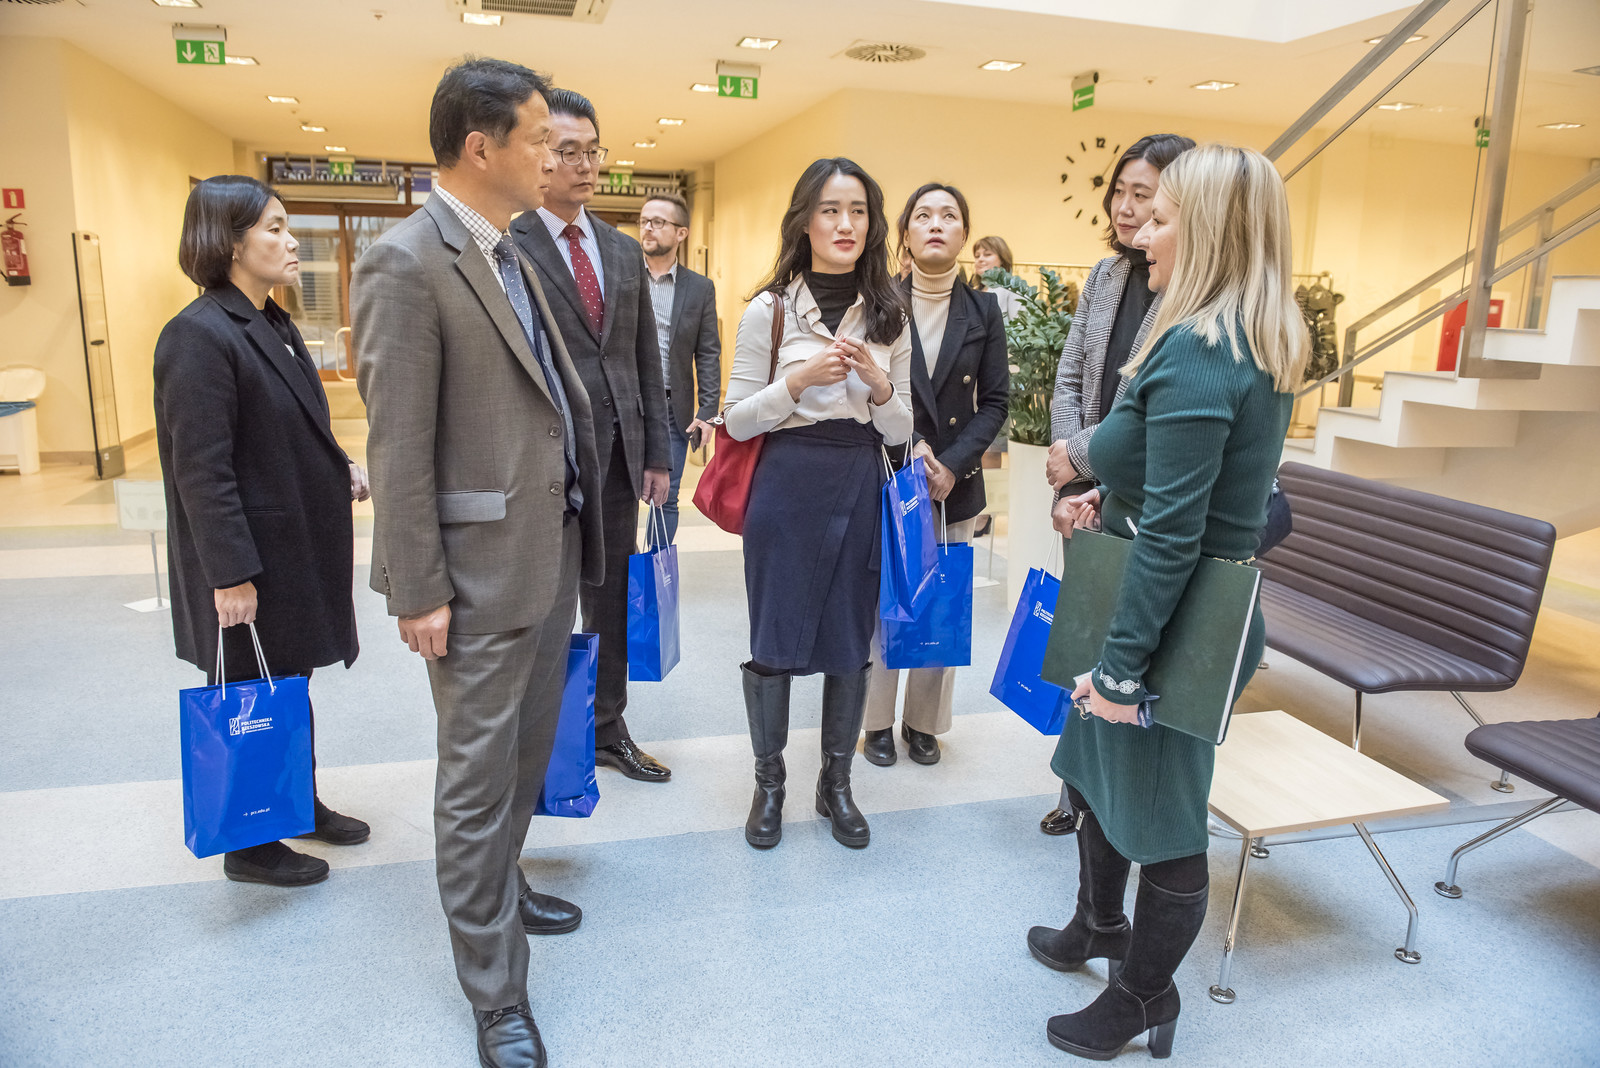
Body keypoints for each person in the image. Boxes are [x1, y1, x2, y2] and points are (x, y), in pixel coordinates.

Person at [352, 59, 605, 1068]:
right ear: (480, 147)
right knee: (473, 783)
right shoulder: (405, 262)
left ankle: (503, 888)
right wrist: (417, 589)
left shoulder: (512, 251)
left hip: (545, 556)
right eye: (541, 139)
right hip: (472, 576)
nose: (556, 155)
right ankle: (496, 996)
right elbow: (397, 447)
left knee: (522, 761)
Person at [1028, 143, 1305, 1060]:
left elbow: (1180, 536)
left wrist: (1121, 673)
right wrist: (1112, 493)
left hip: (1172, 621)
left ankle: (1145, 996)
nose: (1142, 231)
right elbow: (1191, 485)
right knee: (1097, 774)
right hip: (1160, 596)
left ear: (1209, 230)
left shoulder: (1201, 352)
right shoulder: (1241, 337)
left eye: (1162, 216)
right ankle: (1099, 926)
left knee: (1166, 818)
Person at [154, 175, 370, 889]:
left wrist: (338, 466)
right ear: (229, 242)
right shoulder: (198, 335)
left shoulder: (268, 321)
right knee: (249, 692)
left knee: (286, 684)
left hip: (290, 550)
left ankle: (294, 800)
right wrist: (229, 575)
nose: (290, 241)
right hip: (249, 561)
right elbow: (202, 470)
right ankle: (250, 844)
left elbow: (288, 425)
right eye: (274, 228)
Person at [722, 157, 913, 851]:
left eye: (858, 211)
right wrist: (797, 382)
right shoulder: (768, 310)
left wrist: (880, 387)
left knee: (848, 642)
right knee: (772, 640)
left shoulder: (890, 314)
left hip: (858, 481)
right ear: (805, 220)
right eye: (831, 210)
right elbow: (736, 420)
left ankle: (836, 784)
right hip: (785, 483)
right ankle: (769, 784)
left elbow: (902, 430)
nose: (845, 224)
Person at [511, 89, 674, 784]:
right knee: (547, 605)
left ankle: (609, 726)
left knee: (608, 600)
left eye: (592, 152)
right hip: (545, 461)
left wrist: (657, 453)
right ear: (539, 156)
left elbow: (644, 360)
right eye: (567, 151)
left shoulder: (621, 249)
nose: (584, 166)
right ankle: (546, 738)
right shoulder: (510, 246)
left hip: (617, 457)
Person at [1038, 133, 1195, 837]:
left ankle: (1117, 794)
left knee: (1127, 645)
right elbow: (1072, 374)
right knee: (1083, 637)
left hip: (1136, 494)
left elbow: (1147, 414)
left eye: (1145, 197)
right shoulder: (1106, 276)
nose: (1128, 210)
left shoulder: (1188, 290)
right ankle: (1076, 788)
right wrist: (1067, 467)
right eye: (1121, 193)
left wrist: (1085, 463)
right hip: (1084, 489)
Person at [861, 183, 1008, 767]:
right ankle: (875, 721)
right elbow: (866, 389)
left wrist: (953, 463)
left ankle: (923, 723)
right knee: (885, 603)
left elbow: (995, 401)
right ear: (906, 234)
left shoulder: (983, 311)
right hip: (891, 472)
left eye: (949, 215)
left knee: (941, 600)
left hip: (954, 482)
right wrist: (914, 449)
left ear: (963, 234)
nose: (936, 224)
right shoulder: (878, 302)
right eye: (923, 215)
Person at [636, 192, 720, 548]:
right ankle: (621, 575)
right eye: (644, 221)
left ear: (681, 233)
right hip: (627, 406)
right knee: (619, 497)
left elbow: (708, 353)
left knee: (665, 498)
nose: (648, 228)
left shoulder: (699, 288)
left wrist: (707, 411)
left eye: (658, 222)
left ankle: (654, 573)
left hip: (674, 411)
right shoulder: (624, 277)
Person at [971, 234, 1021, 320]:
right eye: (977, 256)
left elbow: (1019, 325)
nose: (980, 259)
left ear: (1002, 259)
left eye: (987, 254)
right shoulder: (974, 290)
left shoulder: (1013, 289)